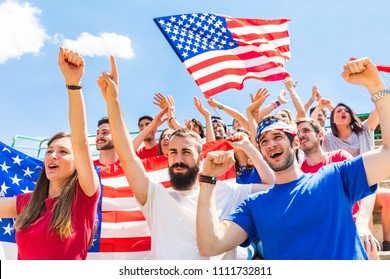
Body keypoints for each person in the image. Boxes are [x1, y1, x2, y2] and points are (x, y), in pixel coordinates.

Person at [196, 57, 390, 259]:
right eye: (263, 141)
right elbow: (211, 246)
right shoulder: (255, 205)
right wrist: (208, 180)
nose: (271, 144)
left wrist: (376, 86)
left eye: (278, 137)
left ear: (296, 143)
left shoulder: (336, 176)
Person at [96, 55, 275, 259]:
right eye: (173, 152)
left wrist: (248, 148)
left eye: (186, 152)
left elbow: (271, 185)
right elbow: (127, 155)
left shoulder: (228, 191)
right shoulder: (155, 196)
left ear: (200, 159)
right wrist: (113, 100)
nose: (178, 158)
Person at [0, 48, 100, 259]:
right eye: (49, 151)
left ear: (77, 163)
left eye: (63, 151)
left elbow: (81, 142)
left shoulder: (84, 197)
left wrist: (73, 84)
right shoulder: (26, 203)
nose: (52, 156)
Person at [296, 117, 379, 259]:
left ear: (320, 135)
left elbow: (368, 185)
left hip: (350, 227)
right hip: (321, 234)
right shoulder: (298, 173)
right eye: (297, 133)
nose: (301, 135)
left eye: (306, 130)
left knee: (368, 248)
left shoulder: (339, 157)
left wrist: (362, 223)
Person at [323, 101, 390, 252]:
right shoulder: (328, 139)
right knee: (362, 197)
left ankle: (387, 244)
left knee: (387, 197)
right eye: (338, 111)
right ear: (332, 120)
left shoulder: (365, 130)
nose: (342, 112)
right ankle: (367, 247)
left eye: (346, 110)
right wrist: (322, 106)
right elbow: (311, 125)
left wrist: (377, 90)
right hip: (345, 191)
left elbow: (381, 108)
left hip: (369, 186)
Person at [93, 117, 152, 259]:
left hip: (130, 251)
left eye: (105, 132)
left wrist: (154, 124)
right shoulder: (88, 168)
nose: (100, 137)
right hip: (95, 246)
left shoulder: (129, 167)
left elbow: (131, 147)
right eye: (98, 133)